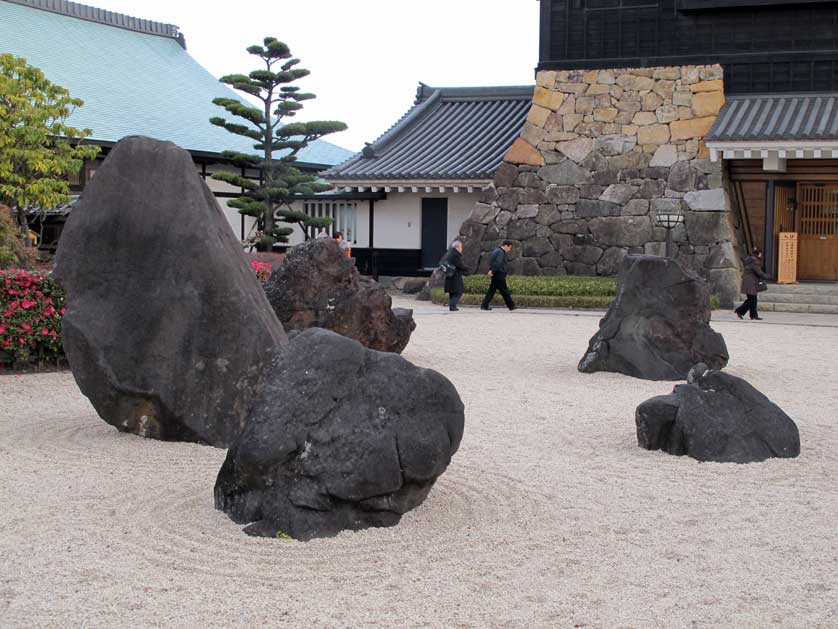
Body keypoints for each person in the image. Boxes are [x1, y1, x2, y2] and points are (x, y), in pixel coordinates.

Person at [734, 246, 769, 320]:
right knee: (751, 300)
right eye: (760, 254)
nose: (761, 255)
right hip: (751, 283)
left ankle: (753, 315)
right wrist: (768, 277)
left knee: (753, 299)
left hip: (748, 282)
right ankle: (739, 311)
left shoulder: (749, 259)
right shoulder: (755, 261)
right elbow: (759, 273)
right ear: (759, 254)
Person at [480, 240, 516, 311]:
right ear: (506, 246)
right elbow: (498, 263)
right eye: (509, 248)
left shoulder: (496, 251)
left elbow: (492, 262)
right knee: (504, 290)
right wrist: (492, 271)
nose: (509, 250)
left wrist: (491, 270)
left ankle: (484, 305)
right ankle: (511, 306)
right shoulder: (501, 252)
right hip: (499, 274)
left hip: (496, 273)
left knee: (492, 290)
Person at [442, 240, 468, 311]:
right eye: (461, 247)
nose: (461, 249)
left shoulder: (449, 253)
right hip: (455, 275)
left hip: (449, 275)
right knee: (458, 291)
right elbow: (459, 264)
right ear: (457, 247)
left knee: (452, 292)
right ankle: (453, 306)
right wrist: (466, 268)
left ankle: (452, 306)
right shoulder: (455, 254)